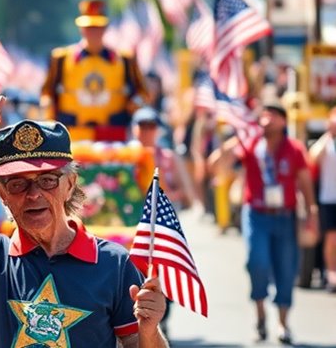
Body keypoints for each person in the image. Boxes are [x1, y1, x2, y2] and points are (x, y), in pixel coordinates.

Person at [0, 99, 168, 347]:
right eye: (18, 184)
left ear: (70, 185)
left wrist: (149, 331)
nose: (34, 194)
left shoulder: (114, 263)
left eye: (47, 180)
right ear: (3, 196)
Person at [211, 104, 319, 344]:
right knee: (256, 261)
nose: (265, 121)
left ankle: (283, 323)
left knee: (286, 268)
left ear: (282, 121)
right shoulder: (250, 144)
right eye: (263, 116)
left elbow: (304, 180)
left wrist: (312, 211)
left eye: (271, 116)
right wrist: (230, 141)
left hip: (285, 216)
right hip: (256, 215)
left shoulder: (294, 149)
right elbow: (218, 164)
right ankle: (260, 314)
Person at [41, 0, 146, 141]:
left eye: (97, 27)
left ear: (105, 28)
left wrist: (134, 104)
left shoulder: (124, 59)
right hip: (72, 134)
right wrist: (50, 123)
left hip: (113, 135)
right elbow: (47, 92)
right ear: (80, 28)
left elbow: (142, 92)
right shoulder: (61, 58)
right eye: (89, 27)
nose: (93, 32)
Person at [132, 107, 193, 208]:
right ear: (134, 128)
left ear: (158, 130)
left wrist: (167, 197)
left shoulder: (168, 157)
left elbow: (186, 193)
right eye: (142, 125)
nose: (146, 131)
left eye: (151, 126)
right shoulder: (127, 155)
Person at [308, 106, 336, 293]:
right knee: (331, 238)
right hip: (329, 198)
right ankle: (331, 273)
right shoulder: (326, 143)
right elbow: (312, 158)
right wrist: (328, 134)